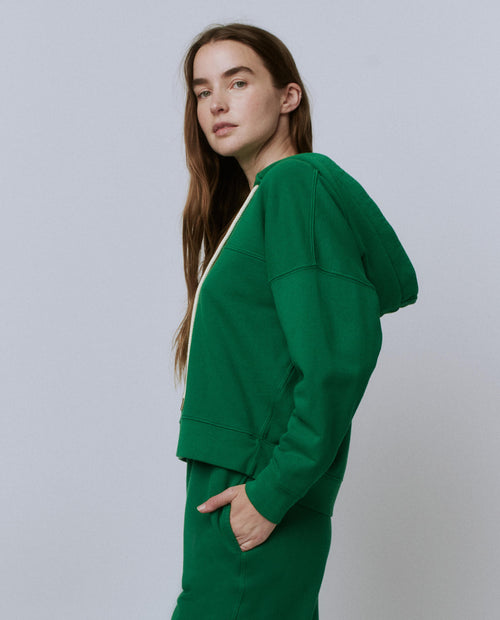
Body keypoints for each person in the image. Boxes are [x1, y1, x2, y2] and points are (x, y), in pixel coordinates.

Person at [170, 22, 418, 620]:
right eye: (203, 91)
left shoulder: (295, 187)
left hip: (258, 480)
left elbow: (336, 360)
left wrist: (271, 492)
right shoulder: (263, 201)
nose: (217, 103)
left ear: (288, 96)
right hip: (237, 478)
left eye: (238, 82)